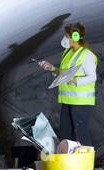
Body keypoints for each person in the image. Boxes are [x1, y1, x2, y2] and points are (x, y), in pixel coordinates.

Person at [38, 22, 97, 150]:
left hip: (81, 101)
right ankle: (70, 166)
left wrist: (75, 82)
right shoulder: (67, 53)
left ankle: (87, 167)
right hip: (67, 100)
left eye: (66, 36)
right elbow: (65, 74)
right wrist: (52, 68)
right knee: (66, 134)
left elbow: (92, 77)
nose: (64, 39)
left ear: (75, 37)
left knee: (81, 134)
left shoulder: (86, 55)